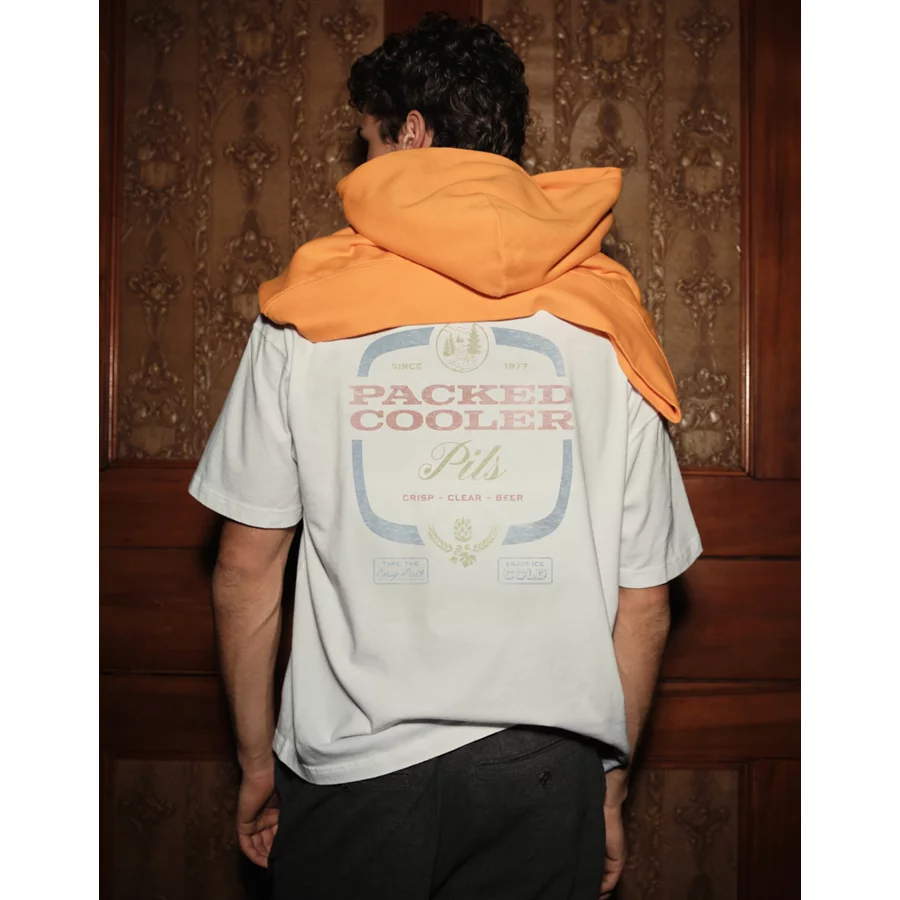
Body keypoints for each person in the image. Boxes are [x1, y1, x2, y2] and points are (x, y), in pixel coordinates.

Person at [189, 13, 701, 900]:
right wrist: (609, 789)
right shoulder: (606, 319)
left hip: (353, 774)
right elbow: (645, 604)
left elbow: (245, 571)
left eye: (368, 143)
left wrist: (256, 763)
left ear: (413, 133)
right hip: (544, 775)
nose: (358, 170)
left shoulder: (306, 312)